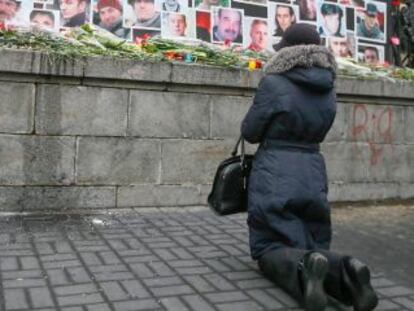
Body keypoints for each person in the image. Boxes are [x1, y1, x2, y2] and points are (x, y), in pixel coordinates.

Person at [241, 23, 378, 311]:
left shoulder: (274, 83)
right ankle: (348, 269)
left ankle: (305, 268)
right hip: (313, 168)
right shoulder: (328, 87)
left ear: (288, 51)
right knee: (312, 238)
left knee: (270, 246)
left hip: (275, 169)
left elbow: (251, 131)